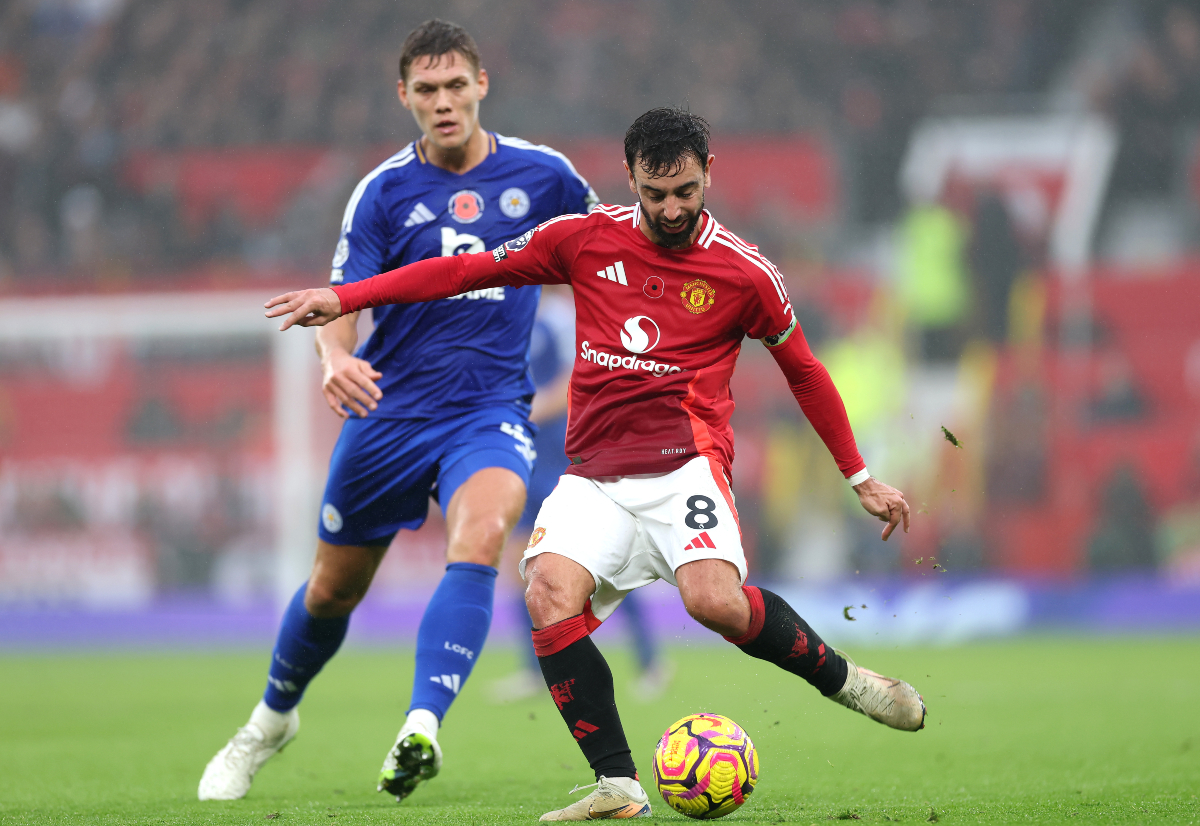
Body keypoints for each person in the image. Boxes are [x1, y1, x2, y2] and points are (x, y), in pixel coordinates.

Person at [265, 108, 924, 822]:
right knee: (546, 592)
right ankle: (618, 786)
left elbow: (803, 372)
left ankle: (851, 683)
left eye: (687, 191)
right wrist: (345, 297)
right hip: (595, 476)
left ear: (710, 175)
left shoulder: (744, 271)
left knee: (712, 602)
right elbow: (463, 269)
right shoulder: (581, 240)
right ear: (629, 177)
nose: (672, 209)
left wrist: (859, 476)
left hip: (686, 467)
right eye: (656, 193)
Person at [198, 19, 597, 803]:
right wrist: (334, 356)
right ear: (404, 96)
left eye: (456, 86)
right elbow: (345, 294)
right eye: (427, 90)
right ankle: (271, 720)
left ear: (482, 84)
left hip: (490, 409)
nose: (443, 102)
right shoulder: (382, 191)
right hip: (391, 411)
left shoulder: (545, 176)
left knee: (483, 540)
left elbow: (613, 254)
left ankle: (423, 723)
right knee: (331, 591)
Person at [490, 287, 670, 704]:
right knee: (524, 560)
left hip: (565, 455)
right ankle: (534, 669)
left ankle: (650, 662)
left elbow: (577, 382)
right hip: (528, 457)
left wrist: (526, 412)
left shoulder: (566, 315)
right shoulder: (519, 314)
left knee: (604, 561)